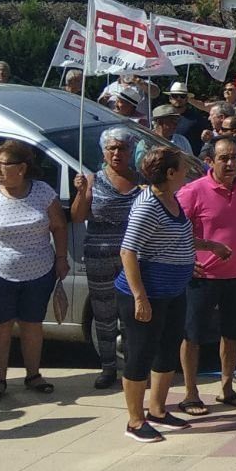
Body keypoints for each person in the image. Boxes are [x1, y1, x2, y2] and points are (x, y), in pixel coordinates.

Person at [0, 140, 68, 401]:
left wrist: (62, 258)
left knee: (32, 324)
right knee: (0, 325)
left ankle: (33, 374)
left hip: (40, 272)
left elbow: (59, 227)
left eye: (3, 164)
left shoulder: (44, 192)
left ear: (21, 168)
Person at [174, 136, 236, 414]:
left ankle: (227, 388)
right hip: (201, 278)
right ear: (210, 162)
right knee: (192, 336)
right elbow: (173, 229)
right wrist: (186, 260)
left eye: (233, 158)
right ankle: (191, 393)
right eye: (223, 158)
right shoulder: (193, 191)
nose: (230, 164)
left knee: (232, 334)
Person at [115, 147, 200, 442]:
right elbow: (128, 250)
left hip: (173, 291)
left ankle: (158, 410)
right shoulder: (148, 205)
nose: (187, 172)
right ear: (169, 173)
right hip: (146, 295)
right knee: (140, 353)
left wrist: (209, 247)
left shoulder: (171, 198)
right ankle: (135, 421)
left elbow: (178, 235)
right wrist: (140, 297)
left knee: (167, 350)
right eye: (182, 168)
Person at [70, 128, 143, 390]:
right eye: (111, 148)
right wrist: (80, 193)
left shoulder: (141, 180)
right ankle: (107, 367)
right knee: (103, 314)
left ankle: (134, 370)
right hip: (99, 253)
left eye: (122, 148)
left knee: (133, 314)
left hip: (133, 256)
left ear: (130, 151)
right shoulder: (92, 180)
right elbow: (78, 217)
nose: (116, 153)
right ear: (104, 152)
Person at [166, 81, 209, 149]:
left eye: (182, 96)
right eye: (175, 95)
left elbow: (206, 140)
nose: (178, 98)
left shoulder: (197, 118)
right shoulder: (164, 118)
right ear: (170, 98)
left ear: (187, 99)